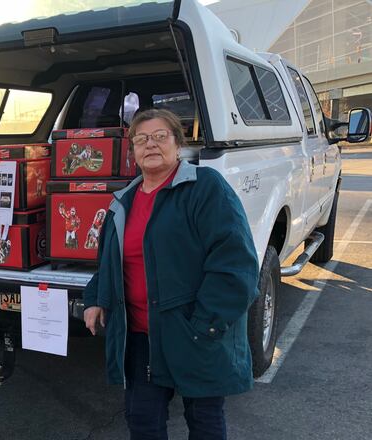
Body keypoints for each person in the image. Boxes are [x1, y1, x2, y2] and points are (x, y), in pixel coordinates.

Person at [82, 108, 259, 440]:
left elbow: (236, 264)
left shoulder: (205, 188)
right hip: (140, 339)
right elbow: (109, 262)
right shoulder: (123, 201)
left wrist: (205, 325)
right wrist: (95, 299)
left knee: (204, 420)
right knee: (143, 421)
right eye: (141, 139)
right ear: (133, 151)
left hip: (194, 332)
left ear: (178, 144)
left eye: (160, 136)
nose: (151, 144)